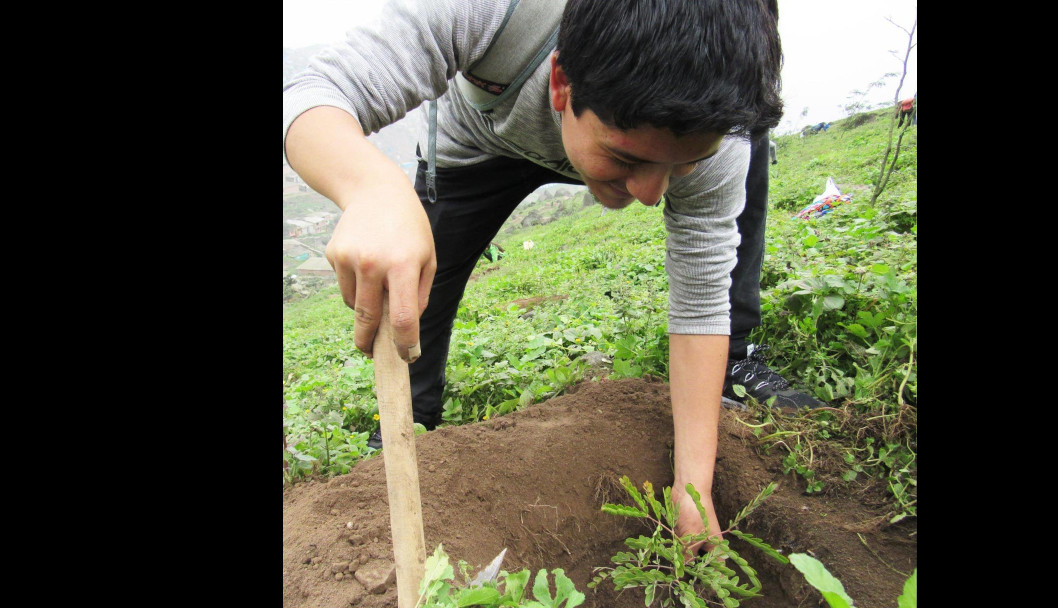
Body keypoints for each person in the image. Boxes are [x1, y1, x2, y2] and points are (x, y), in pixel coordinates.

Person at [283, 0, 820, 548]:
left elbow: (703, 299)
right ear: (562, 81)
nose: (652, 194)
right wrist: (374, 189)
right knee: (416, 290)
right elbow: (312, 93)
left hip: (616, 130)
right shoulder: (490, 9)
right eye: (629, 160)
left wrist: (694, 487)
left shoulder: (717, 141)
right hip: (482, 142)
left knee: (733, 195)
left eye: (679, 165)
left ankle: (737, 363)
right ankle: (408, 428)